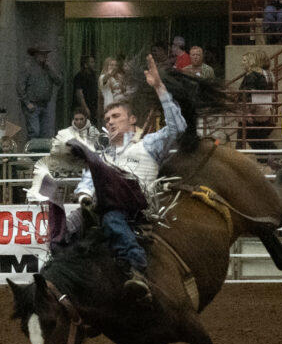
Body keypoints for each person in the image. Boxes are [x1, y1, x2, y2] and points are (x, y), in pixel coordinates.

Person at [72, 55, 186, 302]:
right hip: (109, 206)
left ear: (132, 119)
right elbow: (87, 181)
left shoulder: (149, 143)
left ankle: (136, 264)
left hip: (139, 208)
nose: (110, 122)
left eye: (116, 117)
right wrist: (83, 196)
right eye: (107, 119)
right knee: (71, 222)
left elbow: (178, 127)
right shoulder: (102, 154)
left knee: (112, 217)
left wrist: (159, 87)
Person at [17, 44, 62, 139]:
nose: (44, 56)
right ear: (36, 55)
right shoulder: (28, 67)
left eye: (45, 54)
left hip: (45, 104)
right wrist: (27, 102)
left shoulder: (48, 68)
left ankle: (41, 152)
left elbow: (58, 81)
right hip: (32, 104)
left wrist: (50, 69)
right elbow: (20, 86)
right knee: (34, 131)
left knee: (45, 133)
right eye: (42, 54)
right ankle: (31, 152)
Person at [239, 50, 277, 149]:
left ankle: (273, 154)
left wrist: (248, 110)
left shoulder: (255, 75)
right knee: (255, 135)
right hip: (265, 107)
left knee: (249, 135)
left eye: (244, 60)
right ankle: (267, 157)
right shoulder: (269, 74)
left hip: (256, 108)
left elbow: (250, 93)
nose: (242, 63)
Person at [72, 54, 99, 123]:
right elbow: (79, 93)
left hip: (93, 106)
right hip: (83, 107)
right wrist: (85, 107)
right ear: (85, 65)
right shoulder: (79, 76)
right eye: (92, 62)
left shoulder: (93, 75)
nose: (94, 64)